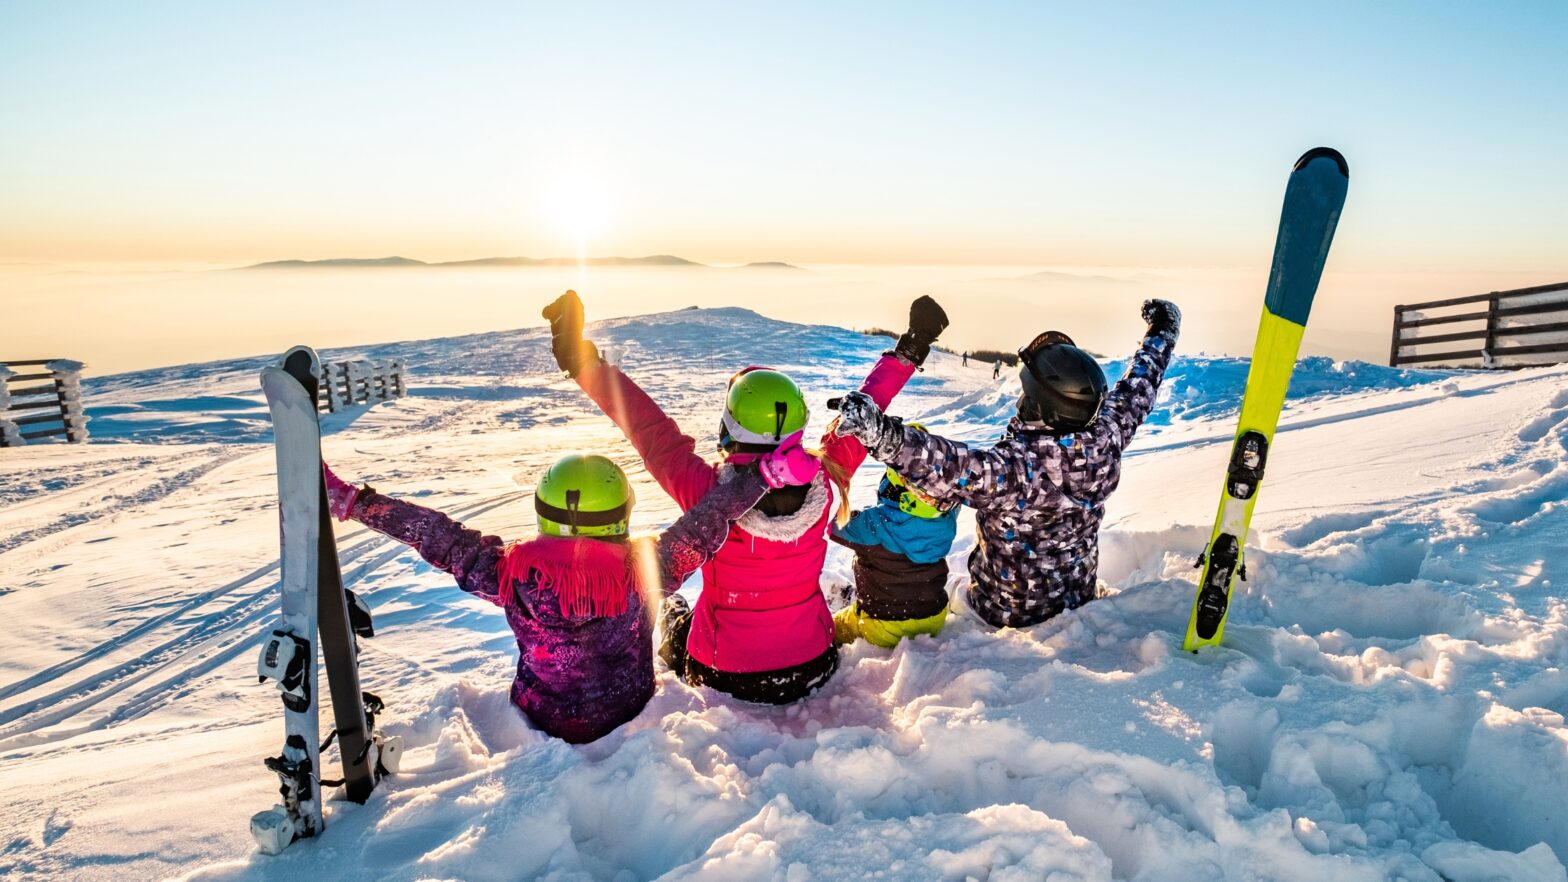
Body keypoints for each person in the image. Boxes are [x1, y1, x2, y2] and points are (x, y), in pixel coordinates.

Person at [542, 291, 949, 703]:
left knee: (674, 614)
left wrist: (583, 363)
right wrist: (911, 347)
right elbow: (864, 412)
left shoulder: (706, 494)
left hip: (724, 672)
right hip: (813, 663)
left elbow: (649, 429)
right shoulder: (826, 480)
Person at [319, 439, 820, 743]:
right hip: (628, 709)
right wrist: (764, 476)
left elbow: (436, 534)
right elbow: (708, 521)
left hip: (543, 717)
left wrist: (356, 503)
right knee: (675, 612)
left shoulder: (509, 573)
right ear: (621, 515)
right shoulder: (646, 571)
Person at [831, 299, 1181, 629]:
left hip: (1002, 613)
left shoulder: (1017, 470)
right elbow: (1138, 388)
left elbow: (946, 466)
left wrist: (879, 433)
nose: (1020, 399)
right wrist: (1161, 332)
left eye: (1027, 394)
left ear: (1041, 406)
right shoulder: (1106, 436)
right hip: (1077, 597)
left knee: (945, 596)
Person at [829, 423, 961, 648]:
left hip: (883, 625)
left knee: (833, 627)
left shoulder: (873, 525)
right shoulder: (945, 519)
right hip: (934, 617)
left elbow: (832, 524)